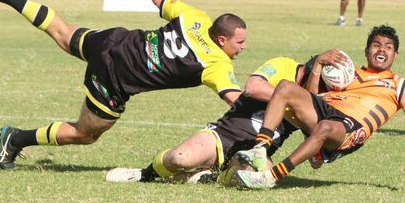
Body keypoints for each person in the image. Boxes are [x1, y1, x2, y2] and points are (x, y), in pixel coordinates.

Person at [0, 0, 247, 170]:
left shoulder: (196, 17)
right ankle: (16, 138)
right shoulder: (217, 65)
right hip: (113, 78)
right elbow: (238, 101)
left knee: (63, 32)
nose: (243, 48)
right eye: (240, 43)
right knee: (85, 134)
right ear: (222, 39)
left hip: (115, 41)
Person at [104, 51, 347, 184]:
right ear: (310, 70)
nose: (320, 94)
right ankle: (144, 174)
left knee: (257, 180)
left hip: (256, 153)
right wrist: (286, 98)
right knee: (179, 158)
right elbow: (252, 87)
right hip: (225, 134)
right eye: (321, 86)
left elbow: (315, 149)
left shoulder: (312, 100)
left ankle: (210, 176)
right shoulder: (283, 65)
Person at [233, 25, 405, 189]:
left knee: (325, 126)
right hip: (327, 111)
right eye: (376, 45)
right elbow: (313, 97)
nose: (381, 50)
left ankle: (271, 176)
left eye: (388, 47)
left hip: (351, 126)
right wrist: (318, 64)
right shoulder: (347, 74)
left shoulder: (400, 85)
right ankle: (260, 150)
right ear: (366, 50)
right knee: (285, 86)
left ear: (395, 55)